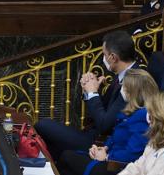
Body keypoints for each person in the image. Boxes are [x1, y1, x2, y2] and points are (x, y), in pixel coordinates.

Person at [35, 30, 137, 159]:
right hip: (93, 133)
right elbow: (104, 111)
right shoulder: (124, 73)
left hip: (102, 144)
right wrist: (90, 91)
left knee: (42, 125)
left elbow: (104, 125)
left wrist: (92, 93)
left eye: (104, 54)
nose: (103, 58)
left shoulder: (133, 82)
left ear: (113, 57)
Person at [58, 69, 159, 175]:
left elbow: (132, 154)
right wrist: (104, 148)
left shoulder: (143, 118)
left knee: (66, 157)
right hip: (108, 155)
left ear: (133, 92)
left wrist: (107, 157)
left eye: (124, 86)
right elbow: (116, 137)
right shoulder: (133, 110)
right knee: (66, 157)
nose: (122, 89)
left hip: (116, 167)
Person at [117, 91, 164, 175]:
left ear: (163, 120)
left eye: (152, 117)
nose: (149, 121)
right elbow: (138, 166)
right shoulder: (157, 137)